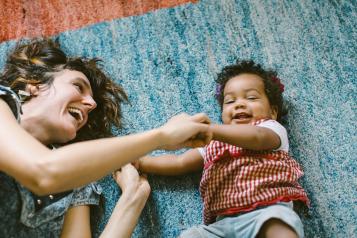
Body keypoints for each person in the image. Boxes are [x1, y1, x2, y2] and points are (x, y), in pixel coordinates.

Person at [0, 39, 211, 237]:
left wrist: (133, 197)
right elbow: (44, 171)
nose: (91, 104)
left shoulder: (78, 181)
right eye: (78, 86)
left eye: (92, 104)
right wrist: (161, 136)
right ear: (34, 84)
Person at [138, 60, 310, 238]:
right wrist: (142, 163)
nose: (239, 104)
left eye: (251, 98)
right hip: (223, 224)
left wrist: (209, 129)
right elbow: (179, 162)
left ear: (273, 112)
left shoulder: (271, 128)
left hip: (267, 210)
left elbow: (257, 137)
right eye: (230, 101)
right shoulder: (212, 143)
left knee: (278, 223)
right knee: (192, 235)